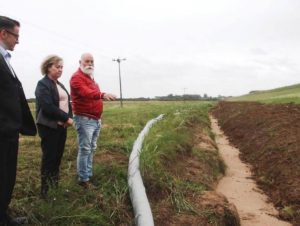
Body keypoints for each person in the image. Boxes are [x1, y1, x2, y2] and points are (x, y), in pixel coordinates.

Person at [0, 16, 37, 226]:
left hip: (9, 131)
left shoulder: (5, 59)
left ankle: (4, 217)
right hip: (3, 131)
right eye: (16, 36)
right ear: (3, 33)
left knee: (7, 177)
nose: (18, 41)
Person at [70, 53, 116, 188]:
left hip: (95, 119)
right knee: (85, 148)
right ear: (80, 62)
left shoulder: (91, 79)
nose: (90, 64)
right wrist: (102, 94)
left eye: (92, 62)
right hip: (84, 119)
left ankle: (87, 174)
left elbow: (92, 94)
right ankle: (83, 179)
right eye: (87, 61)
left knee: (91, 148)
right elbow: (86, 93)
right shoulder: (76, 78)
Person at [35, 55, 73, 198]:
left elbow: (68, 105)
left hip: (61, 127)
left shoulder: (60, 84)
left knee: (57, 158)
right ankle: (45, 193)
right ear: (48, 67)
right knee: (49, 159)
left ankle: (54, 188)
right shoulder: (43, 84)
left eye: (62, 67)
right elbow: (47, 107)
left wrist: (69, 118)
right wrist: (66, 118)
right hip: (49, 127)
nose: (60, 69)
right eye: (57, 67)